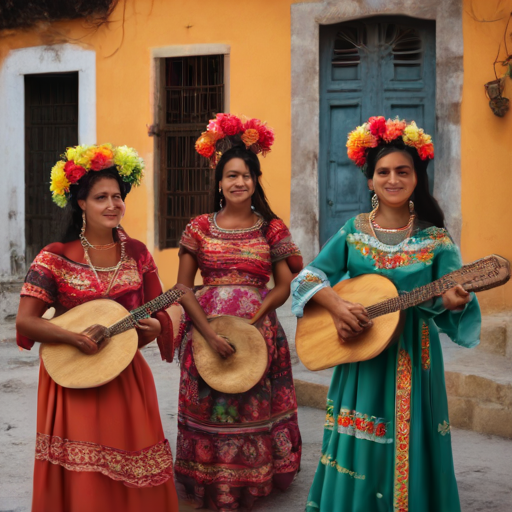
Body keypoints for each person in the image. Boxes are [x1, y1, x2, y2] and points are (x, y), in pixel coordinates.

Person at [291, 117, 481, 512]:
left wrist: (455, 301)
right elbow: (309, 275)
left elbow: (450, 296)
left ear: (417, 178)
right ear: (369, 180)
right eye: (383, 172)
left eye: (402, 171)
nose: (392, 179)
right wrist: (337, 306)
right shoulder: (353, 230)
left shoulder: (437, 240)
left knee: (410, 436)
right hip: (360, 352)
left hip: (414, 353)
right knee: (361, 437)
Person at [15, 144, 179, 512]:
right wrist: (73, 337)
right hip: (72, 377)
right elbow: (26, 322)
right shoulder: (54, 255)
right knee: (85, 474)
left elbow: (162, 308)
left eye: (117, 196)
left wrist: (155, 327)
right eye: (101, 197)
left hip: (126, 376)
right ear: (81, 204)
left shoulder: (137, 252)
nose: (112, 204)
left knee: (133, 463)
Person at [173, 114, 303, 511]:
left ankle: (251, 482)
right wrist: (210, 333)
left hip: (258, 334)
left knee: (251, 408)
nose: (238, 182)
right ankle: (208, 482)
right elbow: (182, 287)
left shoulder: (272, 229)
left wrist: (255, 320)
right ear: (219, 182)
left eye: (246, 175)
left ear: (255, 180)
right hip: (205, 330)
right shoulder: (198, 228)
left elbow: (283, 285)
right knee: (210, 407)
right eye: (230, 175)